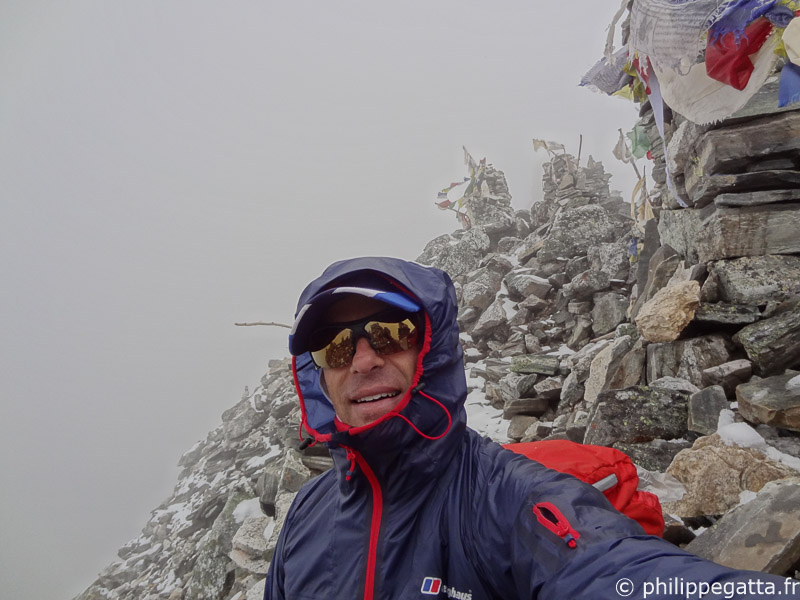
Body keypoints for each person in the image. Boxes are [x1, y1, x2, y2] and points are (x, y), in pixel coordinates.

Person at [264, 256, 797, 600]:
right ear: (320, 375)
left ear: (433, 351)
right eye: (335, 345)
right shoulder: (305, 518)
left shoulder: (511, 500)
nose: (360, 361)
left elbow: (609, 570)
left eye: (388, 334)